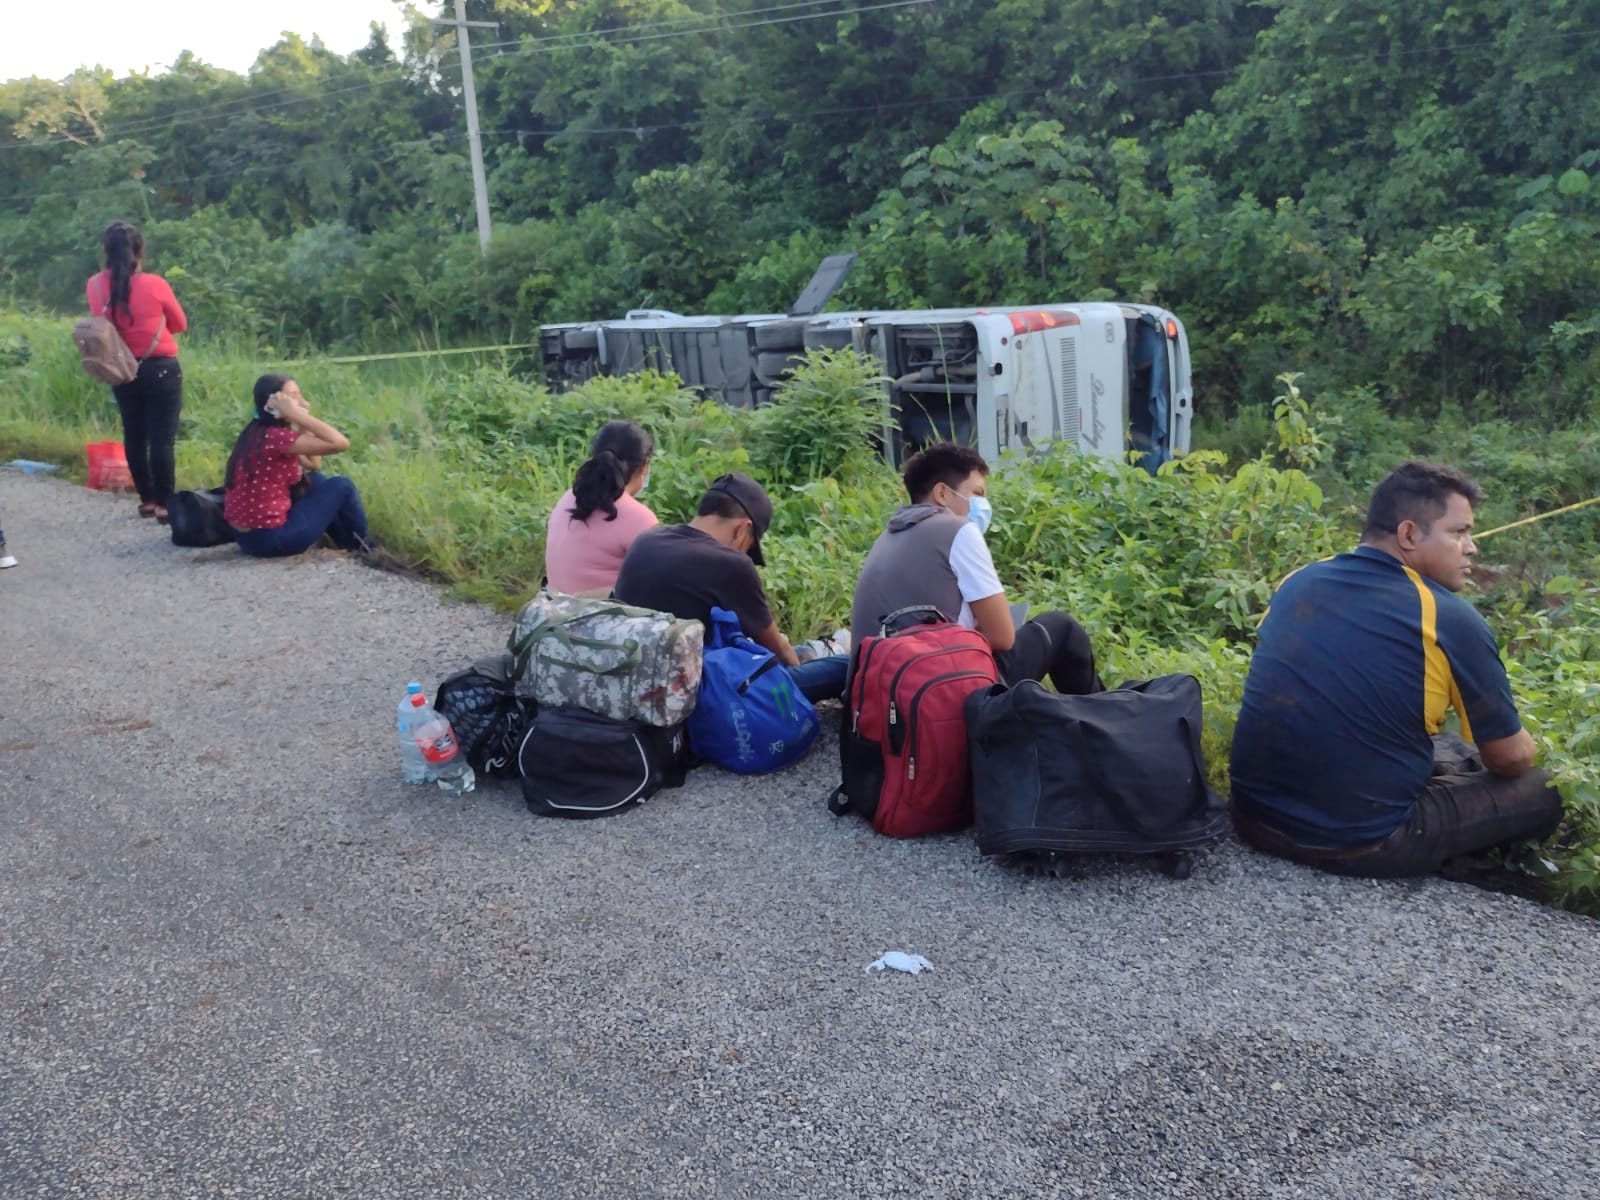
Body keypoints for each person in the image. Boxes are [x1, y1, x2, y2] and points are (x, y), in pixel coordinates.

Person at [1229, 461, 1563, 878]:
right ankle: (1469, 868)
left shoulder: (1300, 580)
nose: (1472, 547)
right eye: (1459, 532)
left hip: (1252, 819)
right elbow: (1508, 759)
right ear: (1408, 534)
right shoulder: (1448, 616)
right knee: (1540, 789)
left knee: (1445, 746)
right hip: (1360, 843)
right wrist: (1527, 749)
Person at [849, 442, 1102, 694]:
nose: (984, 505)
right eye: (978, 493)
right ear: (942, 494)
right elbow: (1003, 637)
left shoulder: (889, 536)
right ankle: (1109, 721)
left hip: (877, 696)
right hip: (942, 690)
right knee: (1062, 627)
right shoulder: (957, 530)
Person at [613, 472, 849, 704]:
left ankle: (818, 652)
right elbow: (780, 651)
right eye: (748, 546)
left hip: (636, 681)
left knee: (800, 653)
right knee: (845, 666)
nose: (744, 553)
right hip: (700, 694)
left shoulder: (645, 541)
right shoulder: (731, 564)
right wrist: (795, 685)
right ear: (743, 529)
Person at [86, 221, 187, 522]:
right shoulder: (155, 284)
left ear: (106, 251)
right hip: (160, 367)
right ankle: (166, 504)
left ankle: (147, 499)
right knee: (161, 438)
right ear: (140, 250)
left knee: (134, 433)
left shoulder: (94, 285)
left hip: (121, 369)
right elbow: (180, 324)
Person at [224, 374, 373, 559]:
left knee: (317, 481)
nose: (302, 402)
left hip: (248, 538)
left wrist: (301, 418)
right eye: (293, 397)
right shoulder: (277, 438)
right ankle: (369, 550)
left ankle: (349, 543)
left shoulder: (258, 432)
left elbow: (314, 464)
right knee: (343, 485)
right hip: (272, 540)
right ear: (273, 403)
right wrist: (297, 415)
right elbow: (340, 443)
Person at [545, 420, 658, 596]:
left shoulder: (569, 497)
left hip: (555, 611)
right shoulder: (640, 519)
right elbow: (655, 584)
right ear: (644, 467)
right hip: (600, 618)